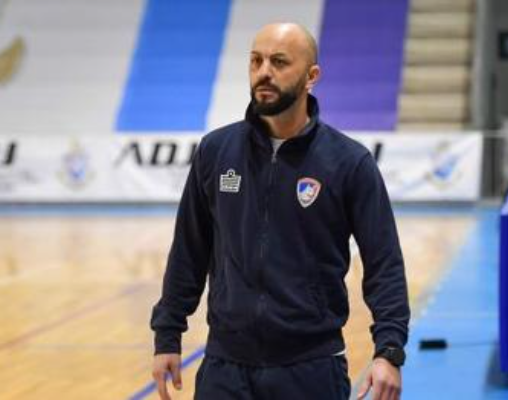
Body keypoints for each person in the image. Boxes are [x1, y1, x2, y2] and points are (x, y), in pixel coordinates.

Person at [151, 22, 410, 400]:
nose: (264, 72)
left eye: (279, 62)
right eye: (255, 61)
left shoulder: (349, 162)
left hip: (311, 368)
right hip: (225, 367)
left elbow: (384, 262)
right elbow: (189, 250)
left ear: (311, 76)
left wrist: (389, 350)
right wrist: (167, 334)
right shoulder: (216, 151)